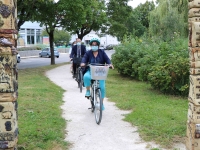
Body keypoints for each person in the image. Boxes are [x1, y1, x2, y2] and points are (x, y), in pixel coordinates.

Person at [80, 38, 114, 110]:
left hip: (101, 72)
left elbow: (107, 60)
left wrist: (110, 64)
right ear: (91, 45)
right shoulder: (88, 53)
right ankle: (88, 91)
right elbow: (84, 59)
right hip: (91, 70)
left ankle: (101, 104)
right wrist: (83, 63)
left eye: (95, 45)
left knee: (102, 88)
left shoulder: (102, 52)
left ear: (98, 46)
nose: (94, 46)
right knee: (86, 76)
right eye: (92, 45)